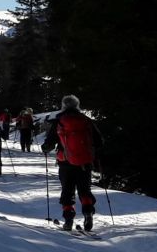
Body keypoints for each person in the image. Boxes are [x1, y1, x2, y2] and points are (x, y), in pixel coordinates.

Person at [52, 95, 99, 232]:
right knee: (85, 190)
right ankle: (88, 214)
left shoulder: (59, 121)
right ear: (77, 105)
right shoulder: (86, 120)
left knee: (67, 191)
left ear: (63, 105)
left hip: (65, 162)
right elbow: (99, 141)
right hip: (84, 162)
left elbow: (49, 142)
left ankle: (68, 220)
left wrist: (45, 148)